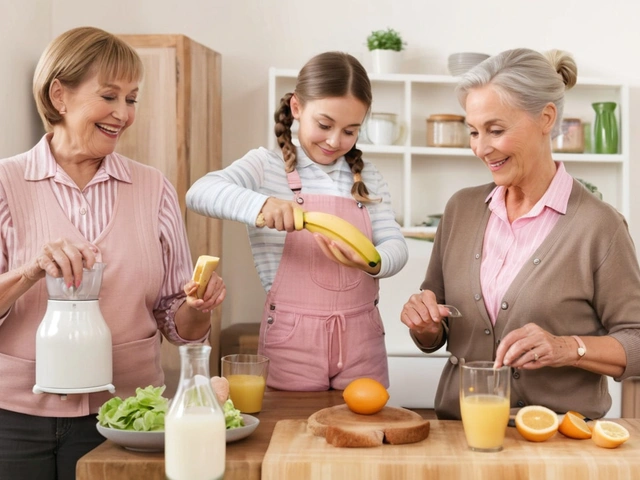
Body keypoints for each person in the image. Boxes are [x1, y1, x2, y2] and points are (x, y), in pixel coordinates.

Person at [0, 27, 226, 479]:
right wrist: (30, 271)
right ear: (59, 96)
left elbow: (175, 320)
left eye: (132, 99)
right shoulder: (6, 184)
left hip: (128, 418)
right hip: (14, 421)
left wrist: (198, 311)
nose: (123, 114)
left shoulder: (153, 188)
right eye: (110, 96)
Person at [400, 48, 640, 420]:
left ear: (546, 118)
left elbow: (636, 340)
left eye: (496, 130)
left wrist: (566, 347)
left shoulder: (599, 227)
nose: (481, 148)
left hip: (555, 440)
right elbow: (437, 329)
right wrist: (426, 324)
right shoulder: (460, 210)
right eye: (474, 132)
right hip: (459, 432)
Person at [187, 51, 408, 391]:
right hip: (292, 338)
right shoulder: (265, 167)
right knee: (290, 432)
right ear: (296, 107)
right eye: (324, 125)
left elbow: (394, 243)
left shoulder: (369, 177)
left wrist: (373, 262)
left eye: (350, 130)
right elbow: (200, 192)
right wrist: (262, 203)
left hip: (363, 337)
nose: (335, 141)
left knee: (364, 430)